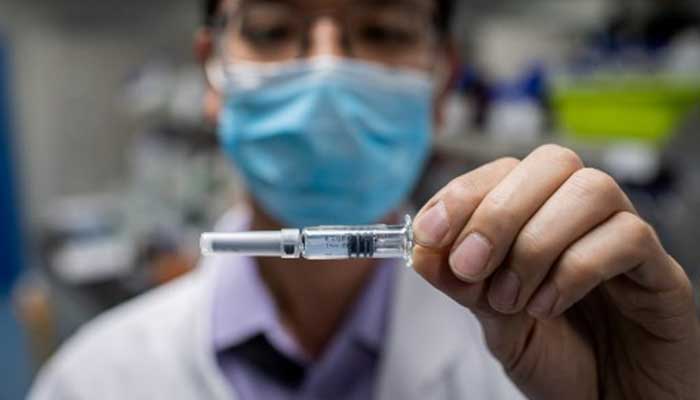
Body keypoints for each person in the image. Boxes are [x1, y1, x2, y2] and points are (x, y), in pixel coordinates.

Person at [30, 0, 700, 399]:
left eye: (382, 30)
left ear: (442, 85)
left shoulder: (553, 365)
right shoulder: (94, 382)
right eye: (270, 29)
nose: (327, 73)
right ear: (212, 71)